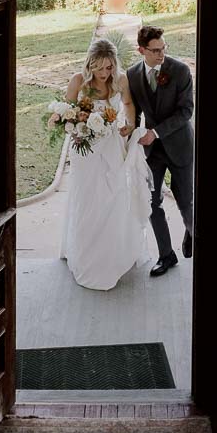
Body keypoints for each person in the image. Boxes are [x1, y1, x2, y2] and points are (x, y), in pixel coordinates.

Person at [56, 38, 151, 290]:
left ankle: (111, 255)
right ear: (90, 64)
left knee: (113, 196)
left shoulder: (120, 80)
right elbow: (68, 111)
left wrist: (129, 125)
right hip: (85, 151)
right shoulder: (78, 81)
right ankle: (85, 254)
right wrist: (74, 128)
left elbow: (128, 105)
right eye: (99, 68)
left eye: (109, 67)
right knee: (87, 198)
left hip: (112, 146)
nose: (104, 73)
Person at [127, 26, 194, 277]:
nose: (161, 54)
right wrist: (132, 136)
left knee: (186, 201)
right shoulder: (133, 75)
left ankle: (193, 233)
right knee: (152, 202)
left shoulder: (180, 71)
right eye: (155, 50)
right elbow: (134, 113)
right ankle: (167, 255)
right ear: (141, 50)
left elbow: (186, 111)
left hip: (180, 146)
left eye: (164, 48)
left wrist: (154, 132)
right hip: (153, 152)